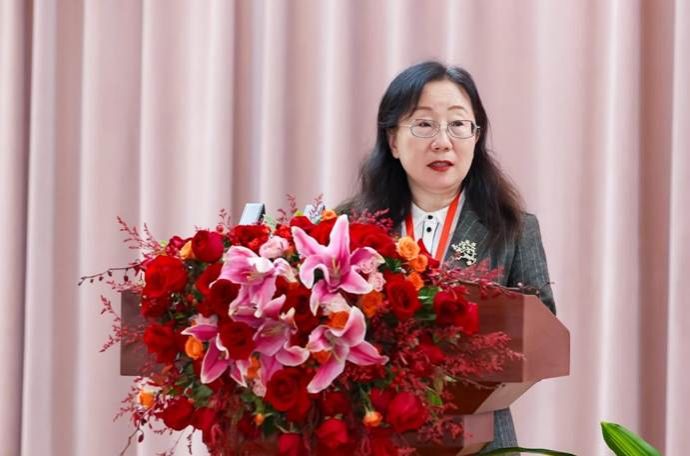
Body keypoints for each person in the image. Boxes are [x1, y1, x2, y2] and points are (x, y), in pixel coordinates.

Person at [339, 60, 555, 453]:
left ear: (476, 137)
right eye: (424, 124)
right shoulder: (348, 226)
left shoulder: (512, 228)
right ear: (392, 140)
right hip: (372, 435)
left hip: (480, 440)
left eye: (458, 124)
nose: (442, 141)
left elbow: (542, 337)